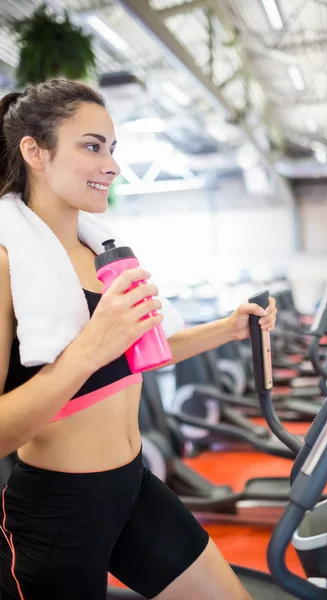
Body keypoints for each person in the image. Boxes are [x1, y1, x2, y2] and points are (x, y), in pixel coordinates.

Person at [0, 79, 277, 600]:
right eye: (91, 146)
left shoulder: (103, 253)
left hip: (133, 488)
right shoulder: (7, 265)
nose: (111, 165)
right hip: (59, 512)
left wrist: (229, 328)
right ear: (35, 151)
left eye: (111, 148)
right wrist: (89, 348)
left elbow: (139, 355)